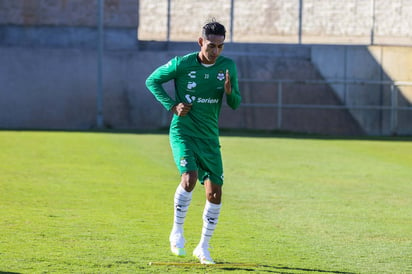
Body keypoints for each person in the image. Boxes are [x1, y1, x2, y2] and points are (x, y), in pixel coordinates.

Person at [145, 20, 241, 264]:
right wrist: (172, 105)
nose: (215, 51)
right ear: (201, 42)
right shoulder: (182, 63)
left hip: (209, 138)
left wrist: (230, 92)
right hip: (184, 132)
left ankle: (203, 247)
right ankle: (176, 232)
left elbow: (236, 103)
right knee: (189, 178)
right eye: (211, 46)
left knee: (215, 194)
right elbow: (152, 80)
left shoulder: (228, 67)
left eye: (220, 46)